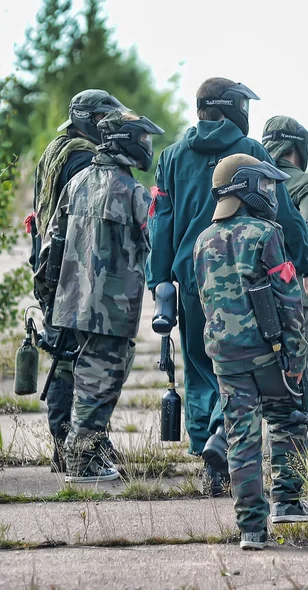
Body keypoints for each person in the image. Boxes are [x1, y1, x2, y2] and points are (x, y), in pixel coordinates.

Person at [146, 77, 308, 494]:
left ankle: (210, 457)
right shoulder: (251, 153)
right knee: (245, 366)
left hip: (192, 279)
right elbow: (285, 215)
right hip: (246, 280)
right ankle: (223, 440)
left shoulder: (171, 157)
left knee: (202, 368)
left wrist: (160, 280)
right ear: (231, 109)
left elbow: (160, 221)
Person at [194, 153, 308, 550]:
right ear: (245, 187)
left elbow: (204, 301)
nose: (269, 192)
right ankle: (288, 502)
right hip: (267, 353)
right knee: (288, 416)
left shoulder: (202, 240)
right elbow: (289, 300)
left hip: (225, 357)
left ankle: (251, 528)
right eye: (264, 185)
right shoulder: (266, 234)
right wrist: (296, 360)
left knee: (240, 435)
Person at [35, 109, 164, 482]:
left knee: (86, 376)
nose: (147, 146)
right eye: (142, 140)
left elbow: (51, 246)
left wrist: (48, 296)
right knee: (100, 380)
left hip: (70, 303)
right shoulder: (133, 192)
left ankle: (80, 453)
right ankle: (80, 460)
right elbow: (156, 241)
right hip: (111, 307)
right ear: (124, 142)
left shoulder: (77, 183)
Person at [26, 89, 126, 472]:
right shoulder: (82, 157)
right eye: (104, 119)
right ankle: (73, 446)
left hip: (53, 267)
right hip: (71, 271)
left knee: (66, 353)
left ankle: (70, 445)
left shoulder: (57, 150)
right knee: (74, 359)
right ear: (90, 119)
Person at [262, 116, 308, 373]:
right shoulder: (307, 183)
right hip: (297, 289)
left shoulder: (251, 178)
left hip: (255, 291)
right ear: (298, 148)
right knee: (296, 374)